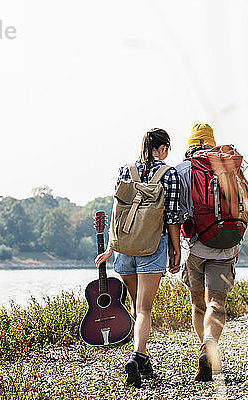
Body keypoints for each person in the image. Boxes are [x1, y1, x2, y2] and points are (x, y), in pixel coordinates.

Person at [95, 128, 182, 388]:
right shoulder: (170, 174)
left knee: (135, 305)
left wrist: (111, 248)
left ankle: (143, 358)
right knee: (144, 309)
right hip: (152, 247)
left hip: (123, 248)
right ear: (164, 148)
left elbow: (115, 210)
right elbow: (172, 219)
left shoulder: (126, 170)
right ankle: (137, 356)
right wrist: (175, 251)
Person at [175, 123, 242, 382]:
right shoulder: (231, 165)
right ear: (212, 142)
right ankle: (210, 343)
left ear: (190, 144)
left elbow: (174, 215)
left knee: (197, 303)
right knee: (217, 302)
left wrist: (173, 250)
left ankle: (204, 346)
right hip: (226, 246)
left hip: (194, 247)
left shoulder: (183, 170)